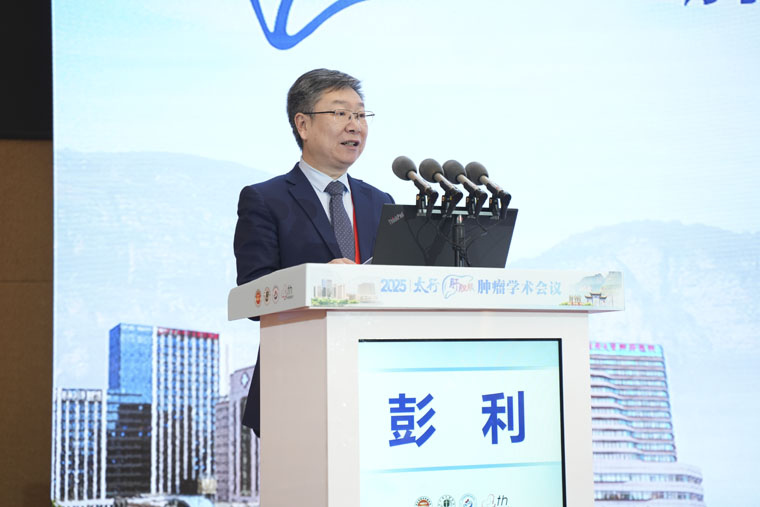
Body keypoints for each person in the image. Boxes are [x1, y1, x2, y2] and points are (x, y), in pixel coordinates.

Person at [234, 68, 394, 437]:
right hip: (294, 383)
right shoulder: (265, 199)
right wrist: (319, 281)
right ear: (303, 124)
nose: (354, 125)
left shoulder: (380, 202)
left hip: (374, 381)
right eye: (340, 113)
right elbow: (254, 293)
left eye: (360, 114)